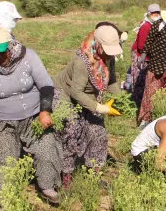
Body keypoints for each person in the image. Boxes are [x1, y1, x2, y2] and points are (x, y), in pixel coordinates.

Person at [0, 27, 61, 205]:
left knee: (47, 147)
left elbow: (46, 86)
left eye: (0, 53)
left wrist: (44, 111)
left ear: (10, 47)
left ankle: (48, 187)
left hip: (34, 117)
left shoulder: (29, 58)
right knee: (2, 160)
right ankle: (6, 199)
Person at [52, 26, 123, 187]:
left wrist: (120, 99)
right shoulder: (81, 61)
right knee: (70, 131)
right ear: (97, 44)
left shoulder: (108, 57)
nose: (109, 54)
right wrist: (100, 108)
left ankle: (94, 174)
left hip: (88, 96)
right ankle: (66, 177)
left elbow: (111, 81)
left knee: (98, 132)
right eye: (106, 49)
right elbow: (76, 92)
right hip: (66, 95)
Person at [130, 4, 161, 108]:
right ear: (149, 14)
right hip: (140, 55)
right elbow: (141, 46)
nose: (156, 15)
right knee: (139, 79)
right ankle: (137, 103)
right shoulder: (146, 26)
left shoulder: (153, 25)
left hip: (146, 55)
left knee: (144, 79)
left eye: (158, 13)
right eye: (153, 13)